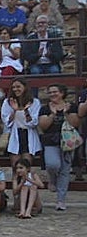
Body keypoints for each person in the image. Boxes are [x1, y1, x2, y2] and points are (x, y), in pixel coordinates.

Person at [38, 83, 80, 211]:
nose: (52, 94)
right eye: (50, 92)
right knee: (52, 164)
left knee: (65, 170)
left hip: (68, 141)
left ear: (62, 93)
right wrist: (52, 114)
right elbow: (43, 126)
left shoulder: (71, 107)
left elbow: (75, 123)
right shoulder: (45, 108)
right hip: (51, 140)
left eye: (55, 92)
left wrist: (66, 113)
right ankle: (52, 179)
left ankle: (61, 200)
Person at [1, 77, 41, 166]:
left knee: (26, 164)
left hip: (28, 134)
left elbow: (33, 122)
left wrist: (25, 110)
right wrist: (15, 110)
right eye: (13, 87)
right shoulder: (7, 102)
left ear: (25, 87)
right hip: (14, 134)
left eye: (18, 87)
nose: (15, 89)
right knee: (15, 165)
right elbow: (6, 121)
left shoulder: (34, 102)